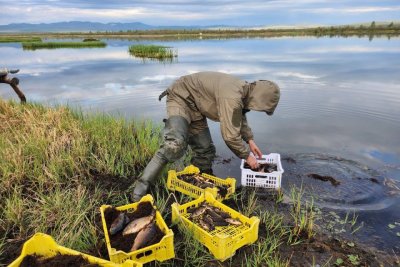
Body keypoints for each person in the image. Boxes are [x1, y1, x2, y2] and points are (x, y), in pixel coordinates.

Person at [132, 71, 280, 201]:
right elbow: (230, 136)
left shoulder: (244, 91)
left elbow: (238, 117)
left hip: (197, 108)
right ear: (260, 100)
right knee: (174, 145)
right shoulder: (232, 96)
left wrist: (250, 140)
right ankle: (139, 190)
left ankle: (195, 184)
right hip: (181, 98)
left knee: (205, 150)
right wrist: (247, 156)